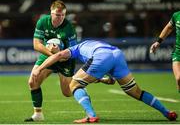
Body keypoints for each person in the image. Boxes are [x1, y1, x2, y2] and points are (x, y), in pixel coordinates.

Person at [32, 40, 178, 123]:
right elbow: (103, 65)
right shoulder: (88, 43)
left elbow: (58, 56)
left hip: (102, 57)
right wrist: (107, 79)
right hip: (117, 54)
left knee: (74, 84)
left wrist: (39, 68)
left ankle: (91, 115)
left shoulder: (73, 49)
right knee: (135, 92)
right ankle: (166, 112)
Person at [24, 0, 78, 122]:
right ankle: (38, 114)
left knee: (68, 93)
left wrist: (58, 54)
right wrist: (52, 54)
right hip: (49, 55)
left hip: (66, 59)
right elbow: (36, 45)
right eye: (57, 15)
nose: (60, 18)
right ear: (51, 12)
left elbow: (74, 52)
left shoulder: (69, 28)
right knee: (33, 81)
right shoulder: (43, 21)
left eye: (63, 15)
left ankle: (86, 80)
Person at [150, 11, 180, 93]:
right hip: (178, 52)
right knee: (178, 78)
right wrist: (158, 42)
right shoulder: (176, 15)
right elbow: (169, 27)